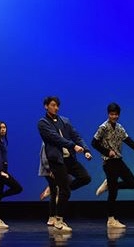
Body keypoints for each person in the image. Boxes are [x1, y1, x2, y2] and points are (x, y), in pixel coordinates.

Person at [91, 101, 134, 228]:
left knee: (132, 183)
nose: (114, 116)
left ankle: (109, 185)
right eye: (111, 114)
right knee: (113, 192)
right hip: (108, 162)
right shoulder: (103, 127)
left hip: (118, 160)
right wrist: (107, 152)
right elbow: (94, 143)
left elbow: (130, 142)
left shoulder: (120, 128)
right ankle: (111, 219)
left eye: (116, 114)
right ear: (108, 114)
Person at [37, 96, 93, 233]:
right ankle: (58, 220)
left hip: (69, 159)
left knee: (85, 178)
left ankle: (59, 191)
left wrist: (86, 150)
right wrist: (73, 146)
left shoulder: (65, 121)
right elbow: (55, 138)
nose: (56, 108)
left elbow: (76, 136)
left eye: (57, 105)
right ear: (46, 106)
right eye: (53, 105)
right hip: (57, 160)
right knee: (65, 191)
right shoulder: (43, 123)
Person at [0, 120, 23, 230]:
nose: (3, 129)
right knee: (17, 188)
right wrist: (1, 171)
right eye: (1, 128)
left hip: (2, 170)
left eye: (4, 127)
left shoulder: (1, 141)